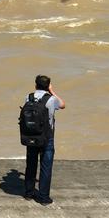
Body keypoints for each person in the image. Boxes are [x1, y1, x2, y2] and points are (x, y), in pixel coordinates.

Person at [24, 75, 65, 205]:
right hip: (47, 137)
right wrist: (52, 91)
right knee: (45, 167)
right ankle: (43, 197)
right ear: (48, 86)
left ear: (35, 85)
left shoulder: (28, 97)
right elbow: (63, 105)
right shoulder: (51, 99)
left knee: (31, 164)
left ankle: (29, 193)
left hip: (31, 136)